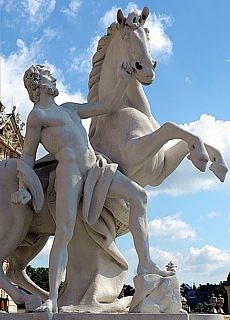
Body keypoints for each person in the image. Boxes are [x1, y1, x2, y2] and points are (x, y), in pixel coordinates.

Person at [11, 64, 174, 313]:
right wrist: (24, 187)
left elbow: (106, 105)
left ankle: (146, 264)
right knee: (63, 232)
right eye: (47, 76)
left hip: (96, 168)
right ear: (37, 84)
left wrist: (122, 78)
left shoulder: (69, 109)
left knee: (139, 196)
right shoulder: (38, 116)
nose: (53, 78)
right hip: (70, 172)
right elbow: (27, 156)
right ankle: (52, 298)